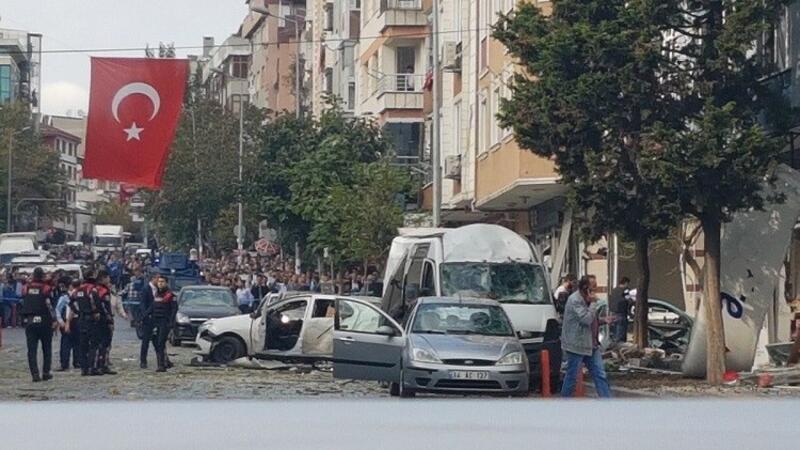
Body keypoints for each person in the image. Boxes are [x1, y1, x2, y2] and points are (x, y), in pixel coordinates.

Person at [560, 275, 614, 398]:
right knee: (572, 376)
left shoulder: (588, 299)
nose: (595, 289)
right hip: (577, 345)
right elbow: (586, 319)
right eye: (593, 286)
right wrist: (594, 303)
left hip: (591, 344)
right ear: (585, 287)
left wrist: (603, 320)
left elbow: (592, 319)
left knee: (600, 374)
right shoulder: (575, 300)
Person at [19, 267, 56, 382]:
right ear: (42, 276)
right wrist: (54, 319)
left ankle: (35, 374)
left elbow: (23, 299)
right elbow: (49, 305)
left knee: (32, 349)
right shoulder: (46, 288)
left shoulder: (26, 288)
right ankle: (46, 372)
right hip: (44, 320)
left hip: (30, 320)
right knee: (47, 348)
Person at [94, 271, 117, 375]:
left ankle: (99, 364)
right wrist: (109, 319)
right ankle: (102, 365)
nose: (109, 280)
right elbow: (105, 306)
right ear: (103, 278)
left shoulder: (95, 289)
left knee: (98, 343)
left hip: (95, 319)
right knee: (105, 343)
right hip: (104, 320)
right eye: (108, 278)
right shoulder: (103, 291)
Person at [151, 276, 175, 372]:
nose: (160, 283)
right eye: (159, 282)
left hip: (164, 322)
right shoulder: (156, 294)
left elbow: (174, 310)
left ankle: (161, 365)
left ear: (166, 283)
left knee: (161, 342)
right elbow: (153, 307)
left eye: (162, 281)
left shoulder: (170, 295)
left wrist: (171, 323)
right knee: (156, 342)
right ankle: (165, 362)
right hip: (156, 321)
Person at [55, 278, 79, 371]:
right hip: (66, 321)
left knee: (77, 341)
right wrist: (61, 322)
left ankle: (77, 361)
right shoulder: (64, 297)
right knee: (66, 343)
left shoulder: (77, 295)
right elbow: (58, 309)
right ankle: (64, 363)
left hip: (76, 320)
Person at [138, 274, 158, 369]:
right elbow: (142, 304)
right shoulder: (146, 289)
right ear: (153, 278)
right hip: (148, 318)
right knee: (145, 341)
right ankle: (143, 361)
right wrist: (145, 315)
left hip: (157, 318)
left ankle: (162, 360)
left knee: (158, 341)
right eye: (157, 278)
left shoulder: (158, 289)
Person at [608, 277, 631, 344]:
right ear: (626, 283)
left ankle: (614, 345)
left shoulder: (614, 290)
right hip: (621, 313)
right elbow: (629, 300)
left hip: (613, 313)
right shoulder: (625, 290)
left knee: (614, 333)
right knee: (621, 334)